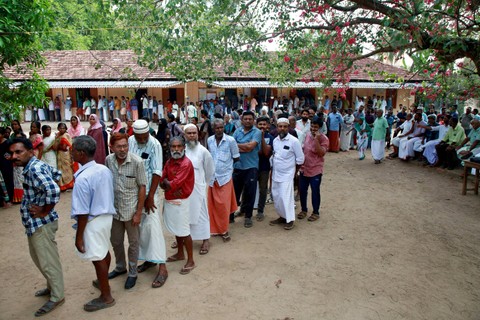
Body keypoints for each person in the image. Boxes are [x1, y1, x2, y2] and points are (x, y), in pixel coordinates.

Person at [9, 138, 64, 317]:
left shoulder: (34, 168)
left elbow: (54, 189)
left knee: (47, 261)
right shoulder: (33, 166)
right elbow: (55, 174)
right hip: (35, 223)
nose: (14, 156)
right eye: (12, 153)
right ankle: (51, 287)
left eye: (18, 152)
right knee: (40, 258)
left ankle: (57, 296)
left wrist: (44, 209)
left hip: (42, 223)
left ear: (31, 152)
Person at [71, 136, 116, 312]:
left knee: (97, 258)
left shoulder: (83, 179)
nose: (71, 153)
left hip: (93, 221)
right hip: (106, 217)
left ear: (81, 154)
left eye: (73, 150)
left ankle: (106, 296)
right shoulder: (103, 169)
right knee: (103, 251)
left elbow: (82, 212)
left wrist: (79, 237)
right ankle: (102, 281)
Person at [128, 119, 169, 288]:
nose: (143, 140)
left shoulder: (155, 144)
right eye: (140, 137)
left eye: (145, 136)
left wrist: (151, 196)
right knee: (139, 229)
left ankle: (163, 268)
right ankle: (149, 259)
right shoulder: (130, 141)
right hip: (133, 193)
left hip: (150, 193)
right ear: (134, 134)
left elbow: (157, 172)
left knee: (154, 228)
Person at [105, 133, 147, 290]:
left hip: (131, 212)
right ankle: (120, 267)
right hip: (115, 211)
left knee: (133, 243)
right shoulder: (108, 161)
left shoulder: (137, 162)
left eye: (125, 146)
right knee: (116, 242)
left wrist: (138, 213)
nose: (122, 149)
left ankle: (133, 273)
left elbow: (142, 187)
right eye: (119, 146)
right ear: (112, 147)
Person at [160, 137, 196, 274]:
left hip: (181, 201)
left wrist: (168, 184)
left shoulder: (186, 164)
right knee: (177, 229)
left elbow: (172, 183)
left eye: (179, 146)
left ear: (184, 147)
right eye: (173, 147)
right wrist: (168, 184)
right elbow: (162, 180)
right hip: (171, 199)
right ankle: (180, 253)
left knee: (184, 231)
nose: (176, 149)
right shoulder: (169, 162)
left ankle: (191, 260)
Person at [183, 124, 215, 254]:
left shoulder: (203, 151)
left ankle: (205, 240)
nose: (191, 135)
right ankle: (183, 238)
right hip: (184, 189)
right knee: (184, 214)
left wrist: (201, 184)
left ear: (198, 134)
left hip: (198, 188)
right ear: (184, 135)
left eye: (194, 133)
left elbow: (210, 170)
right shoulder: (181, 149)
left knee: (201, 214)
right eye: (189, 133)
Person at [207, 119, 240, 241]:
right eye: (217, 128)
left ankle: (224, 230)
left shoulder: (230, 140)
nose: (219, 130)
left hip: (225, 177)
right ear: (213, 129)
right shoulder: (209, 140)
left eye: (221, 127)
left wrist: (227, 168)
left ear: (224, 128)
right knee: (213, 205)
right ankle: (214, 229)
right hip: (212, 178)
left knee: (223, 206)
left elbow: (236, 157)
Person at [270, 118, 304, 230]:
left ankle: (290, 219)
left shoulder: (294, 141)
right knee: (277, 196)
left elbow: (300, 159)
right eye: (280, 126)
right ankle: (282, 216)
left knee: (286, 198)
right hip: (276, 174)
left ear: (288, 127)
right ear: (277, 127)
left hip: (288, 175)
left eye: (285, 126)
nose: (282, 128)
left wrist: (295, 172)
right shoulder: (275, 141)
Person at [232, 111, 262, 228]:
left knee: (250, 193)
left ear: (254, 120)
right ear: (242, 120)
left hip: (251, 167)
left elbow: (250, 147)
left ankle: (248, 216)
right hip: (237, 166)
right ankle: (233, 213)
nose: (248, 121)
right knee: (235, 192)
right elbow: (232, 146)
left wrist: (238, 145)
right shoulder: (237, 131)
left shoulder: (257, 132)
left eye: (250, 119)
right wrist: (245, 146)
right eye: (246, 119)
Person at [297, 117, 328, 222]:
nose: (313, 129)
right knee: (302, 190)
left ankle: (315, 212)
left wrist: (316, 140)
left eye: (316, 127)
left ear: (320, 128)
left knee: (315, 191)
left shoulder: (324, 139)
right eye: (312, 126)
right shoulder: (306, 136)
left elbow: (321, 153)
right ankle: (304, 210)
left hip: (316, 169)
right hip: (304, 168)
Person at [256, 116, 273, 222]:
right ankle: (244, 209)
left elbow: (266, 153)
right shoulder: (252, 136)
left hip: (264, 167)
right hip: (252, 166)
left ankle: (260, 211)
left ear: (268, 126)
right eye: (260, 124)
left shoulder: (270, 138)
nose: (262, 126)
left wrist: (261, 138)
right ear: (256, 125)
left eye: (264, 124)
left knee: (263, 190)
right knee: (249, 189)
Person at [52, 123, 75, 191]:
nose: (62, 129)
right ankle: (62, 184)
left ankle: (69, 184)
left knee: (67, 169)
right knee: (60, 169)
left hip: (65, 154)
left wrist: (58, 146)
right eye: (60, 128)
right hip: (59, 154)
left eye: (63, 128)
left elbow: (64, 147)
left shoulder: (66, 135)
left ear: (66, 129)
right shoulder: (58, 135)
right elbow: (55, 147)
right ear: (58, 128)